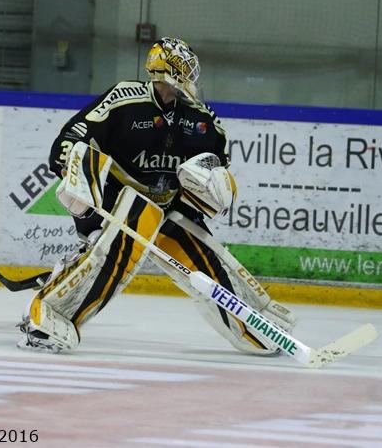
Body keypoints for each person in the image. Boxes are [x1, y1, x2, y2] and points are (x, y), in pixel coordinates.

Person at [18, 37, 296, 354]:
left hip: (169, 205)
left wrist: (214, 182)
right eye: (185, 69)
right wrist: (71, 168)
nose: (190, 77)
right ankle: (46, 317)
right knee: (114, 256)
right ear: (166, 69)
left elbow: (217, 163)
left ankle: (253, 327)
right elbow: (73, 136)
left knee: (206, 263)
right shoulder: (124, 99)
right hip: (115, 201)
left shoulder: (201, 119)